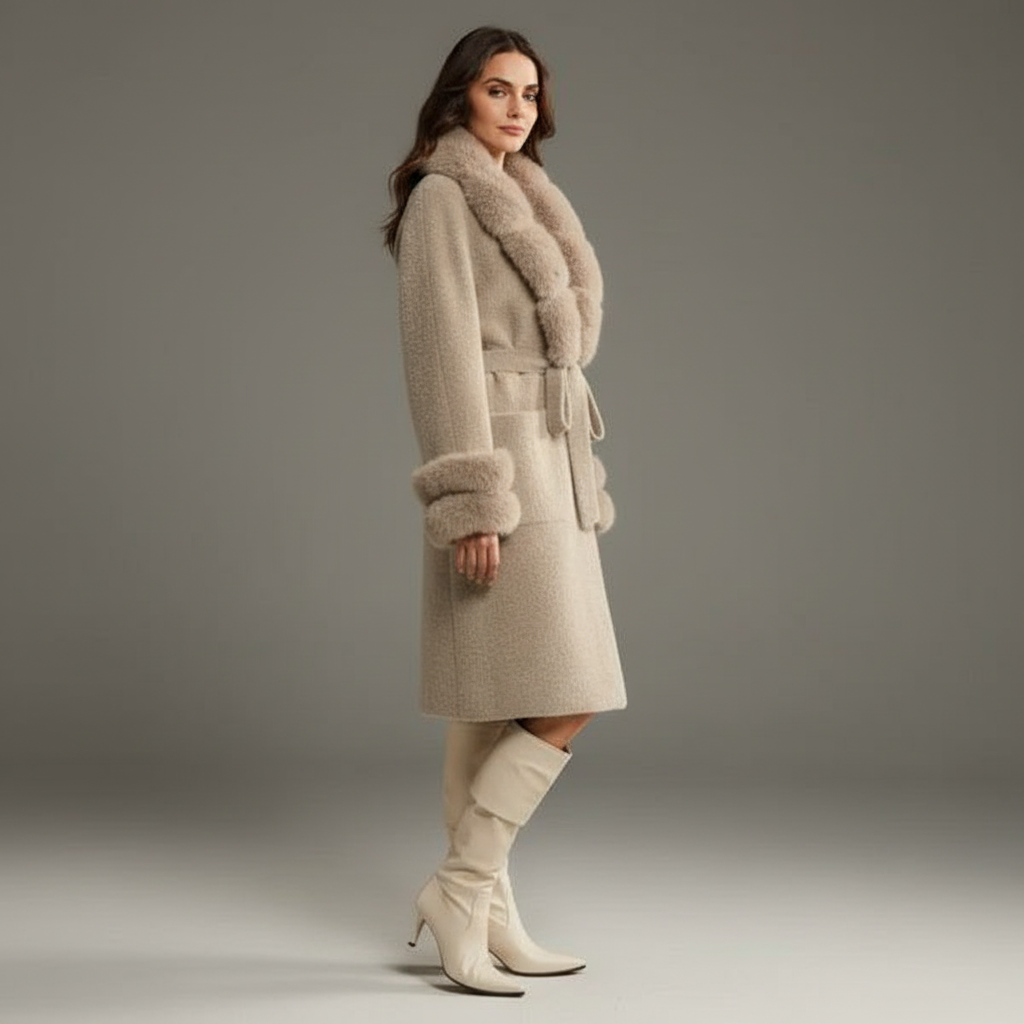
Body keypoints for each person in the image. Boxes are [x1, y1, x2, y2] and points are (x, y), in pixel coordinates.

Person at [381, 25, 627, 997]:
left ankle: (484, 912)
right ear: (460, 97)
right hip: (502, 466)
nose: (518, 107)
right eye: (497, 89)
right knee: (556, 689)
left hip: (552, 457)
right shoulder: (443, 197)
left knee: (496, 702)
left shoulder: (527, 195)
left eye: (529, 92)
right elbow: (440, 356)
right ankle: (459, 890)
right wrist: (472, 497)